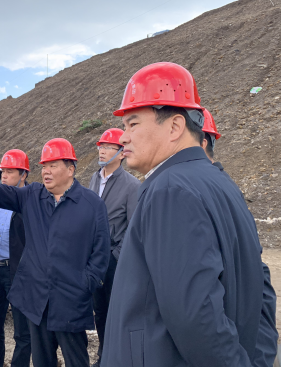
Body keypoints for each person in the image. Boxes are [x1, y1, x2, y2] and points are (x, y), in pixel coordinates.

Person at [101, 62, 278, 367]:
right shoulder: (220, 182)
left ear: (174, 127)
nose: (123, 138)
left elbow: (196, 318)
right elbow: (260, 285)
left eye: (132, 124)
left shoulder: (170, 189)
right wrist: (259, 358)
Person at [0, 138, 110, 368]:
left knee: (76, 360)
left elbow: (101, 252)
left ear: (70, 169)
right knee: (42, 360)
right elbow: (2, 192)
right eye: (44, 166)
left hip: (70, 301)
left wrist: (85, 284)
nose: (46, 171)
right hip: (37, 300)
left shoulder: (91, 204)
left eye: (53, 165)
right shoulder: (33, 195)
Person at [201, 107, 279, 367]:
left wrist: (260, 353)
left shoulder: (211, 191)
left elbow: (257, 272)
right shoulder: (222, 185)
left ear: (201, 142)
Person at [87, 128, 140, 366]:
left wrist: (117, 255)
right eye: (101, 146)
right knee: (99, 310)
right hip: (92, 256)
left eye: (109, 147)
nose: (102, 150)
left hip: (113, 258)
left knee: (115, 310)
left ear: (121, 153)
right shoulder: (94, 179)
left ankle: (117, 358)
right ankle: (103, 356)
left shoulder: (131, 185)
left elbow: (134, 225)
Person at [0, 149, 32, 367]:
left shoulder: (31, 201)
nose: (4, 176)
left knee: (23, 331)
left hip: (20, 273)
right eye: (2, 171)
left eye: (10, 171)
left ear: (23, 174)